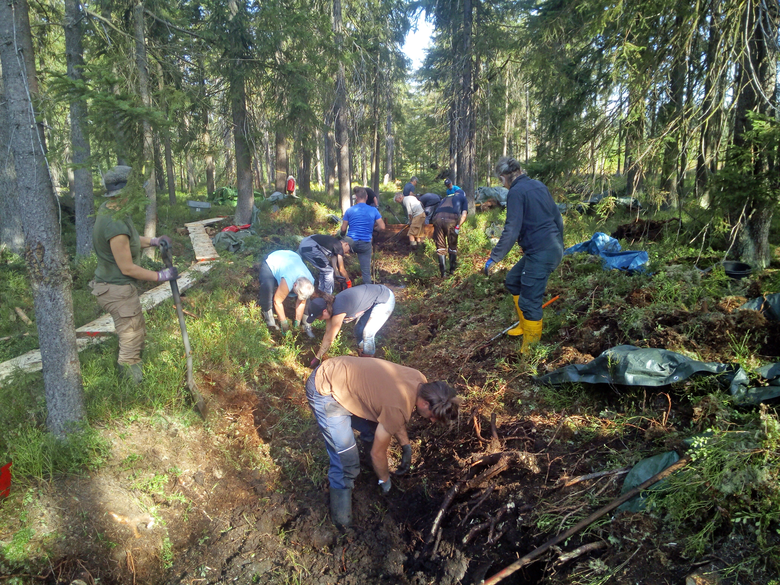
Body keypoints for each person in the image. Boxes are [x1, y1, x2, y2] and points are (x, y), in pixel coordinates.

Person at [305, 356, 462, 527]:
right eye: (433, 416)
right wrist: (385, 481)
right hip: (325, 389)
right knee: (346, 461)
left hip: (341, 375)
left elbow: (394, 412)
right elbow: (379, 449)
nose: (431, 420)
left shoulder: (419, 379)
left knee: (374, 431)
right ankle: (342, 521)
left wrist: (406, 445)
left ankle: (371, 467)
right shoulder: (400, 406)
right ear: (425, 403)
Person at [91, 165, 178, 384]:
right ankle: (133, 391)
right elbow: (127, 268)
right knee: (131, 339)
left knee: (136, 331)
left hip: (116, 287)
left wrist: (154, 241)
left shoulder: (113, 210)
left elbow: (128, 239)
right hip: (116, 290)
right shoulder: (115, 222)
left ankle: (133, 380)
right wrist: (161, 276)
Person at [484, 156, 564, 354]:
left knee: (530, 301)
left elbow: (512, 228)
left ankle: (530, 350)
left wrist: (495, 256)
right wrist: (559, 244)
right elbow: (557, 218)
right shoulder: (538, 185)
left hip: (542, 251)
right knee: (513, 281)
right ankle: (523, 325)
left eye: (501, 180)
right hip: (547, 248)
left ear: (504, 178)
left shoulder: (516, 192)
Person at [306, 284, 395, 364]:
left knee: (367, 333)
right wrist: (319, 355)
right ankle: (364, 352)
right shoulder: (329, 307)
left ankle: (369, 363)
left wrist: (317, 358)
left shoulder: (338, 310)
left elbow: (330, 338)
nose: (319, 320)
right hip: (374, 297)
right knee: (358, 329)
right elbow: (327, 333)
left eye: (319, 317)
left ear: (324, 311)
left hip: (384, 298)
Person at [258, 249, 316, 336]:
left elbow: (302, 302)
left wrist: (297, 321)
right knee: (267, 290)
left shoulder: (309, 281)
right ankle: (270, 321)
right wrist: (284, 322)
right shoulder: (288, 280)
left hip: (292, 257)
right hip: (274, 260)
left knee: (306, 299)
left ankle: (305, 323)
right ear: (295, 285)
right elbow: (277, 301)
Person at [340, 188, 385, 284]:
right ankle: (368, 291)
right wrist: (374, 230)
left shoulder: (350, 210)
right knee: (366, 272)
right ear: (367, 197)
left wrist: (342, 236)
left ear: (356, 198)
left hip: (350, 243)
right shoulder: (373, 210)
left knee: (339, 259)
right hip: (365, 243)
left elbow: (343, 229)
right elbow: (382, 227)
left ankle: (342, 281)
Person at [430, 185, 468, 277]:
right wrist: (458, 225)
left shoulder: (447, 197)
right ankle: (452, 272)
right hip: (451, 218)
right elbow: (464, 214)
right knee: (452, 245)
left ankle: (443, 274)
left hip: (437, 218)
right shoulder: (463, 197)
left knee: (440, 245)